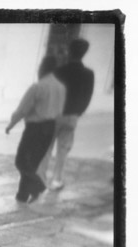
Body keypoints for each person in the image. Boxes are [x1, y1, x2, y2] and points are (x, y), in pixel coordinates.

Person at [5, 55, 66, 203]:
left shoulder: (38, 87)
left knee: (21, 161)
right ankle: (22, 195)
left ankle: (39, 187)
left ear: (43, 68)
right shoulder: (61, 87)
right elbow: (59, 111)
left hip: (35, 128)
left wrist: (11, 125)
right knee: (32, 163)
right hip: (50, 128)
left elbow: (22, 110)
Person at [39, 38, 95, 191]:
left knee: (47, 148)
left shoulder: (59, 71)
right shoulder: (88, 74)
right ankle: (56, 180)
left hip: (54, 115)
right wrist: (78, 112)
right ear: (84, 53)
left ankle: (41, 179)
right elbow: (87, 96)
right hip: (72, 116)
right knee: (63, 149)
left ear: (70, 51)